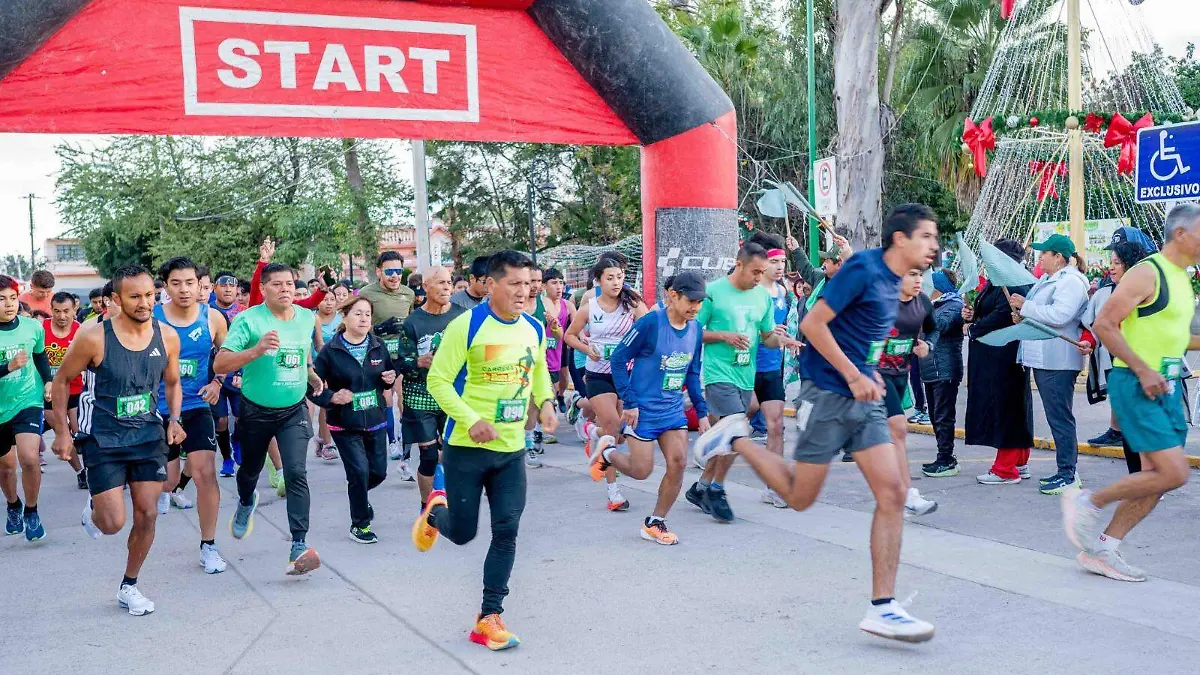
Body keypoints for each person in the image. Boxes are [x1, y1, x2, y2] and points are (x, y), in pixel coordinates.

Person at [696, 204, 940, 643]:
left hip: (865, 399)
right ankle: (736, 438)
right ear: (901, 239)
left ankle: (883, 607)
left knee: (893, 492)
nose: (934, 245)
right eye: (926, 236)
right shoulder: (863, 269)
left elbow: (863, 338)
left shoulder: (896, 284)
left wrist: (871, 375)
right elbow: (813, 324)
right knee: (799, 496)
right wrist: (852, 374)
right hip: (827, 394)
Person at [413, 250, 557, 651]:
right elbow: (438, 381)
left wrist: (545, 402)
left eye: (529, 284)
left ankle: (488, 616)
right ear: (491, 285)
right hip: (466, 448)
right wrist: (469, 419)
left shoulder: (533, 327)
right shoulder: (467, 326)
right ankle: (435, 513)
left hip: (511, 449)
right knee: (462, 534)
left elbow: (539, 370)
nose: (524, 292)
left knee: (507, 529)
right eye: (514, 284)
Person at [1063, 203, 1200, 582]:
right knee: (1173, 472)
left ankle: (1105, 549)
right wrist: (1142, 368)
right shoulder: (1147, 272)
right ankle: (1087, 501)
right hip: (1137, 381)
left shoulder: (1181, 278)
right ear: (1181, 233)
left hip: (1168, 385)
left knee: (1158, 478)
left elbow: (1175, 336)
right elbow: (1105, 323)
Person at [51, 265, 185, 615]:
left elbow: (172, 382)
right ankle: (96, 509)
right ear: (114, 300)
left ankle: (129, 585)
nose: (144, 303)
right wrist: (64, 433)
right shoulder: (94, 337)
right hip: (104, 437)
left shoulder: (167, 336)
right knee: (112, 524)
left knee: (148, 513)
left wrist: (174, 419)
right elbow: (63, 381)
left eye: (149, 295)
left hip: (147, 435)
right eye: (135, 296)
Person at [215, 262, 326, 576]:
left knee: (296, 472)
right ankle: (247, 501)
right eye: (277, 284)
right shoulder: (248, 320)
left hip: (293, 410)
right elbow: (221, 363)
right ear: (262, 289)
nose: (286, 289)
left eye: (290, 283)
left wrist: (310, 374)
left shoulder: (306, 317)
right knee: (249, 471)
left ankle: (299, 544)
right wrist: (255, 350)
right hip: (255, 411)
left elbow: (301, 355)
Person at [684, 242, 801, 523]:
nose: (759, 278)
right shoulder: (712, 292)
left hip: (745, 374)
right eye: (755, 272)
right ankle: (716, 489)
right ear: (739, 265)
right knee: (736, 429)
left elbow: (766, 336)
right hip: (718, 373)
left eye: (762, 272)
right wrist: (724, 336)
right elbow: (691, 333)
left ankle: (700, 486)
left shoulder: (761, 297)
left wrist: (781, 341)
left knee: (731, 432)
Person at [592, 271, 710, 544]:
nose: (695, 307)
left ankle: (655, 522)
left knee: (678, 463)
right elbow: (620, 359)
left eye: (699, 302)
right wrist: (629, 402)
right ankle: (607, 453)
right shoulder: (650, 323)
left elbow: (692, 373)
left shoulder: (696, 329)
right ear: (673, 296)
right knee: (641, 470)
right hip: (642, 410)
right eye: (690, 300)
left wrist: (702, 412)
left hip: (671, 409)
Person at [152, 257, 229, 574]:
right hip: (157, 409)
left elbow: (227, 354)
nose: (184, 289)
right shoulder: (151, 318)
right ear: (166, 287)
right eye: (176, 283)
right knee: (169, 481)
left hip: (197, 406)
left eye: (190, 282)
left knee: (204, 472)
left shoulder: (213, 318)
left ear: (200, 285)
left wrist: (217, 382)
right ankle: (163, 490)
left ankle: (208, 546)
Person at [564, 254, 648, 510]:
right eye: (610, 278)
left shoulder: (632, 304)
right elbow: (569, 336)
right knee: (612, 426)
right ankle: (614, 493)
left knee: (619, 435)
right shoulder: (590, 308)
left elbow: (648, 332)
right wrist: (587, 349)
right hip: (598, 375)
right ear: (598, 280)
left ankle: (592, 433)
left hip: (626, 376)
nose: (616, 282)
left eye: (620, 277)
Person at [1010, 234, 1090, 495]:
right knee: (1056, 415)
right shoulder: (1048, 279)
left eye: (1045, 253)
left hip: (1059, 359)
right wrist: (1022, 316)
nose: (1040, 257)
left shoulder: (1071, 281)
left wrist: (1026, 307)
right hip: (1043, 357)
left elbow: (1060, 315)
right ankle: (1064, 470)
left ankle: (1068, 473)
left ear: (1059, 257)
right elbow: (1039, 314)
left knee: (1060, 417)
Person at [311, 296, 395, 543]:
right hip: (344, 423)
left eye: (367, 314)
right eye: (357, 313)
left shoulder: (378, 345)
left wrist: (389, 378)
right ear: (344, 317)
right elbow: (311, 386)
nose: (363, 318)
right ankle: (360, 525)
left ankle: (359, 499)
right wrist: (332, 396)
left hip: (376, 420)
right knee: (358, 472)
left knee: (378, 473)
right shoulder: (330, 351)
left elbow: (387, 373)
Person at [965, 239, 1036, 485]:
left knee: (1007, 407)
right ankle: (1019, 459)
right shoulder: (1001, 280)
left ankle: (1005, 468)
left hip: (1003, 354)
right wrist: (973, 314)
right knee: (1015, 406)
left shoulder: (1014, 282)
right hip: (997, 353)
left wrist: (974, 328)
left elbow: (1004, 314)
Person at [396, 266, 464, 509]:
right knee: (428, 456)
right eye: (440, 283)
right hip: (421, 397)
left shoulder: (462, 316)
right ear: (425, 287)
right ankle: (427, 508)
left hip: (453, 396)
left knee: (451, 454)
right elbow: (400, 363)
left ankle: (446, 495)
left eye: (449, 282)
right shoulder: (413, 321)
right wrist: (419, 361)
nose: (446, 287)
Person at [874, 268, 938, 516]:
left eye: (920, 275)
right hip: (877, 373)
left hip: (902, 373)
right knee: (899, 429)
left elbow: (934, 329)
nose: (918, 280)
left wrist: (927, 345)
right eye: (912, 274)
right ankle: (907, 495)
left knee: (888, 436)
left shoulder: (922, 302)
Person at [0, 275, 53, 542]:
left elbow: (39, 355)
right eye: (1, 299)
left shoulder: (33, 326)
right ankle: (13, 506)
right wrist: (7, 367)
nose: (9, 304)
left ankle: (31, 511)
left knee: (30, 458)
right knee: (6, 467)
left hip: (27, 400)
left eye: (12, 298)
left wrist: (48, 381)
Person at [745, 232, 796, 508]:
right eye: (775, 262)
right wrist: (765, 331)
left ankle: (773, 486)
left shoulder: (783, 291)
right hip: (744, 366)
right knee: (743, 415)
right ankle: (712, 445)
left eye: (784, 262)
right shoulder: (751, 293)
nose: (780, 268)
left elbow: (783, 328)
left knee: (776, 426)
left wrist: (788, 340)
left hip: (772, 366)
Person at [1084, 240, 1148, 448]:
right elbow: (1091, 323)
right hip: (1115, 355)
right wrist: (1089, 341)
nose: (1111, 267)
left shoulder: (1147, 292)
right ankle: (1117, 431)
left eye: (1118, 263)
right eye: (1111, 262)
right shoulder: (1104, 293)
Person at [360, 251, 417, 469]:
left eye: (398, 271)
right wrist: (379, 329)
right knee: (385, 399)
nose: (395, 276)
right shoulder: (366, 294)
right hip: (375, 355)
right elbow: (351, 325)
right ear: (378, 271)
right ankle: (388, 440)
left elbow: (412, 321)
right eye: (389, 271)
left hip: (401, 356)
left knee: (403, 400)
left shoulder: (408, 293)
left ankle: (404, 449)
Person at [918, 270, 965, 478]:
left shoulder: (954, 306)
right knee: (936, 416)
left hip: (945, 370)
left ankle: (946, 458)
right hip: (931, 369)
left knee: (944, 416)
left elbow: (940, 326)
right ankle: (943, 457)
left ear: (939, 287)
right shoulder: (936, 305)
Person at [44, 290, 88, 489]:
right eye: (57, 311)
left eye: (66, 311)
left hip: (76, 390)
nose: (61, 316)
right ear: (51, 310)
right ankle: (80, 472)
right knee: (63, 433)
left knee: (81, 433)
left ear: (74, 310)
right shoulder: (41, 329)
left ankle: (94, 469)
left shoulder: (82, 331)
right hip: (49, 394)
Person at [313, 289, 343, 461]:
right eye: (325, 299)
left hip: (339, 365)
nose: (329, 303)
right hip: (318, 366)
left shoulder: (341, 319)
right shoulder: (311, 318)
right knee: (326, 403)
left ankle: (321, 437)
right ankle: (327, 444)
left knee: (334, 404)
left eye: (332, 299)